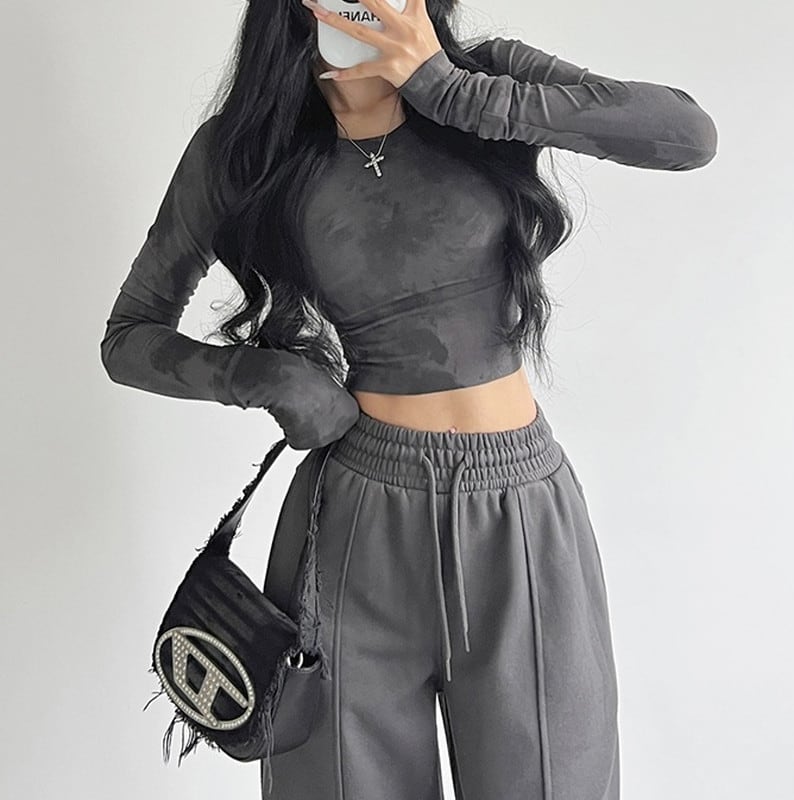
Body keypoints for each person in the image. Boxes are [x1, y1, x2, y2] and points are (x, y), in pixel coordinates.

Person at [100, 0, 718, 797]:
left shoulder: (486, 81)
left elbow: (686, 136)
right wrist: (261, 377)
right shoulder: (243, 150)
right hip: (354, 523)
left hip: (520, 519)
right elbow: (130, 335)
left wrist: (445, 87)